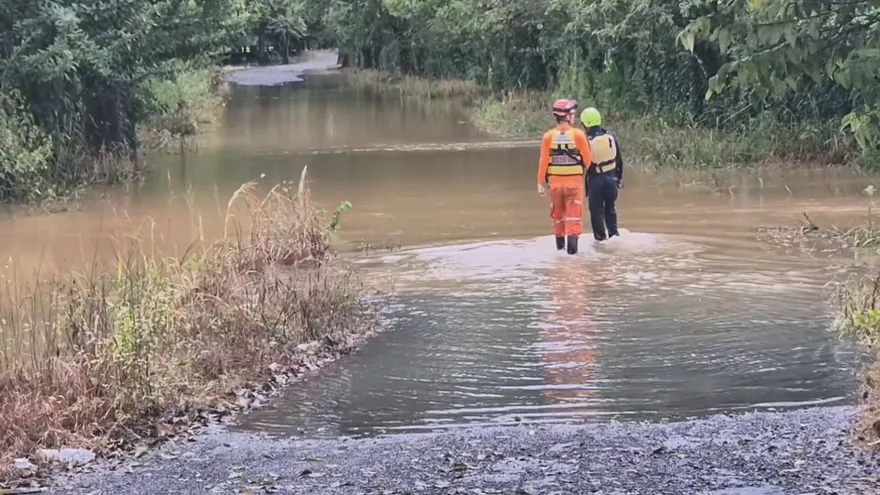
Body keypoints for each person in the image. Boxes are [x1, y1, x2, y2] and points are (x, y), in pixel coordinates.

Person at [537, 99, 594, 255]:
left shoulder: (548, 136)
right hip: (574, 185)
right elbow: (589, 162)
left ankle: (560, 254)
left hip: (555, 185)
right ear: (568, 116)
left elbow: (543, 161)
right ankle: (572, 258)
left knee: (558, 219)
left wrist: (540, 183)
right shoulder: (578, 135)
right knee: (573, 220)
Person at [580, 107, 623, 241]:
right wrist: (619, 179)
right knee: (610, 210)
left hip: (596, 181)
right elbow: (619, 160)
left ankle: (600, 241)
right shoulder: (610, 137)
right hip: (612, 179)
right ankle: (614, 235)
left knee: (597, 212)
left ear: (585, 124)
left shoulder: (585, 140)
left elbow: (582, 163)